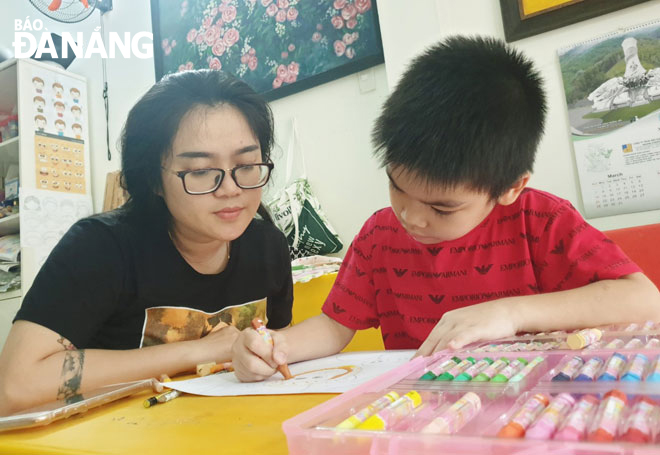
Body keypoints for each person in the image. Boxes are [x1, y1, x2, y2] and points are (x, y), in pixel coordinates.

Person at [231, 36, 660, 382]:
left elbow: (644, 299)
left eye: (442, 207)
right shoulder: (380, 235)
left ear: (510, 187)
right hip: (418, 410)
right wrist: (277, 347)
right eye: (397, 187)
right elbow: (334, 326)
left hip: (532, 407)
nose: (412, 217)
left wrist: (510, 311)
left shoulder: (540, 222)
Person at [0, 70, 293, 414]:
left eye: (245, 164)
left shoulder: (268, 247)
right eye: (200, 171)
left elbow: (277, 355)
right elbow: (14, 387)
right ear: (153, 179)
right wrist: (196, 351)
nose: (230, 188)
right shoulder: (101, 248)